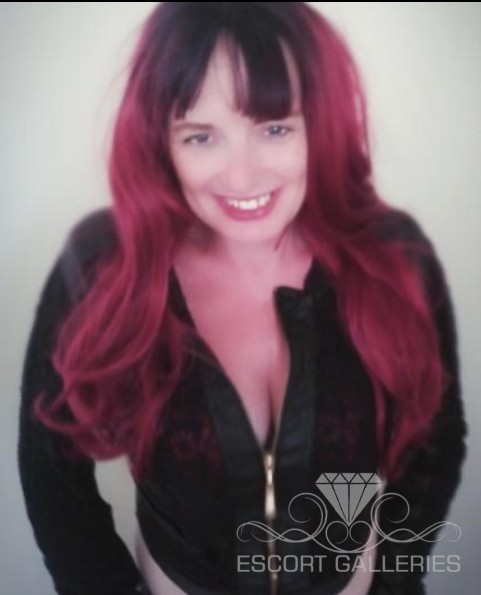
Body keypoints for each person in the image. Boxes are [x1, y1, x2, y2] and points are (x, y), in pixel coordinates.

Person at [18, 3, 467, 595]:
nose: (241, 176)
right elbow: (51, 468)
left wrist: (392, 584)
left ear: (320, 125)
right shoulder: (101, 264)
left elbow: (435, 439)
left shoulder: (394, 257)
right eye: (201, 136)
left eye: (274, 127)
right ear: (162, 140)